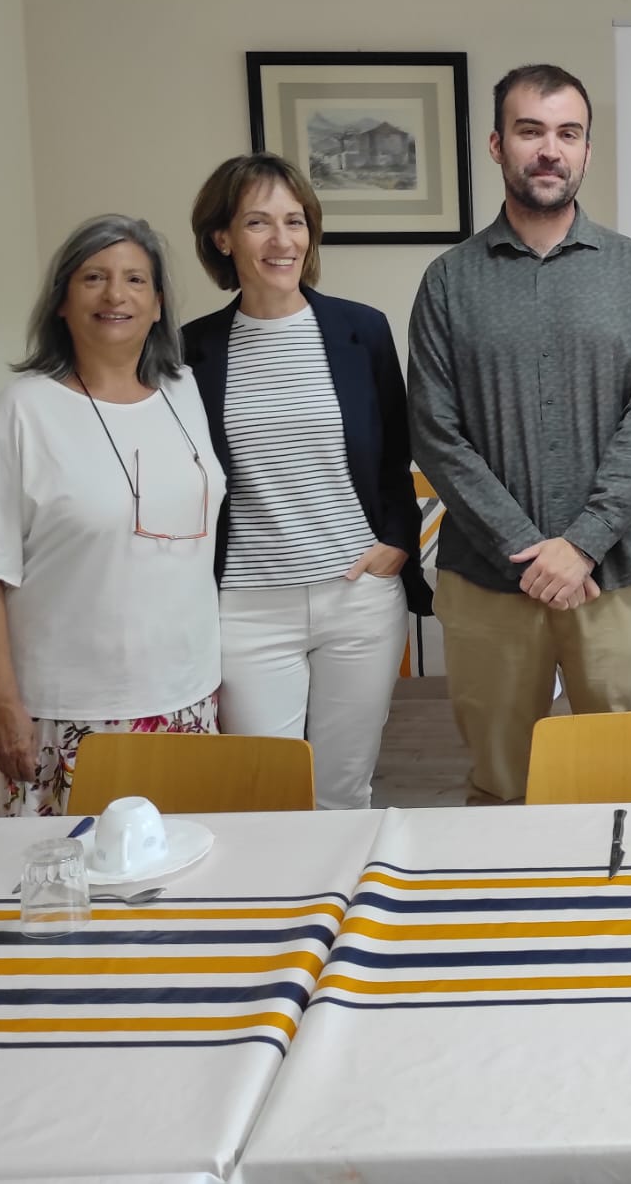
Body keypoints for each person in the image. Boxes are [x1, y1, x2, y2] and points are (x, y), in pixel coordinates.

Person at [407, 63, 631, 802]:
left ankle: (623, 918)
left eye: (568, 133)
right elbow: (435, 432)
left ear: (588, 151)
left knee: (630, 775)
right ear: (498, 144)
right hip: (491, 585)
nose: (549, 150)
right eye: (531, 131)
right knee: (502, 784)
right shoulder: (448, 281)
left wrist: (583, 542)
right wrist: (530, 551)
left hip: (615, 577)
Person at [0, 216, 226, 816]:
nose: (115, 294)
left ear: (157, 306)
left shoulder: (184, 391)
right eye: (93, 277)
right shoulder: (22, 411)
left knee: (179, 891)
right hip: (63, 714)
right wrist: (0, 709)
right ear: (61, 304)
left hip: (185, 698)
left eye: (135, 279)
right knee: (63, 894)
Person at [181, 152, 429, 810]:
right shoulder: (189, 350)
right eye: (258, 222)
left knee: (344, 787)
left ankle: (345, 910)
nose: (281, 240)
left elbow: (395, 455)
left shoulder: (361, 330)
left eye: (295, 221)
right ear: (222, 238)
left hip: (359, 597)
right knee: (269, 791)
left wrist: (399, 541)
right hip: (246, 605)